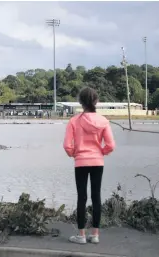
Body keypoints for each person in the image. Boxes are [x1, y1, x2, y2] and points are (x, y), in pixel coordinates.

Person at [63, 87, 115, 244]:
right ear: (96, 101)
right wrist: (101, 152)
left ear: (80, 102)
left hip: (81, 162)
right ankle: (95, 235)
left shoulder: (74, 121)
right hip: (97, 161)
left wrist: (74, 154)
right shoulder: (104, 121)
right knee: (96, 196)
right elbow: (111, 145)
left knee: (82, 197)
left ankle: (81, 236)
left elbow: (67, 145)